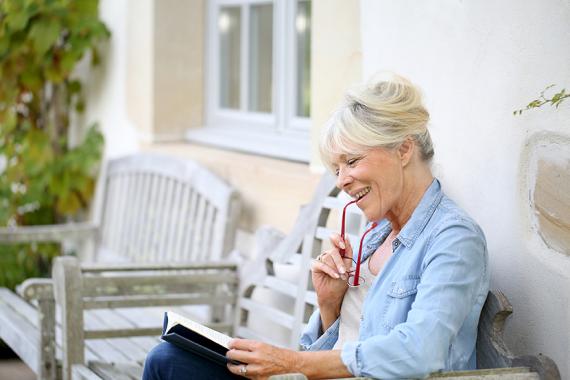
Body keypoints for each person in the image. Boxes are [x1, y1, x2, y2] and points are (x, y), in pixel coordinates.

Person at [142, 72, 490, 379]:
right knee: (168, 359)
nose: (342, 181)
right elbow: (329, 344)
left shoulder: (454, 238)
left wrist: (291, 363)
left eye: (351, 161)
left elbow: (420, 350)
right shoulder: (378, 235)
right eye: (336, 169)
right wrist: (329, 306)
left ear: (403, 150)